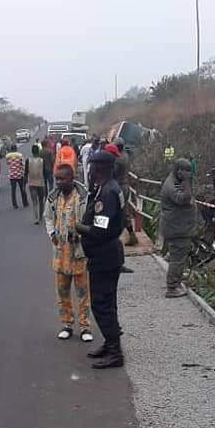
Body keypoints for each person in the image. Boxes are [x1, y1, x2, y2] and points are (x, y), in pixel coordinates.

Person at [75, 150, 125, 368]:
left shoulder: (107, 193)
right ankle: (110, 342)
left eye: (93, 165)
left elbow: (100, 230)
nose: (90, 169)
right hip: (104, 255)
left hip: (105, 256)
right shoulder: (105, 188)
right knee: (107, 302)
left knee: (101, 304)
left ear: (101, 167)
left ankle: (115, 352)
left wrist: (78, 227)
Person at [44, 164, 93, 343]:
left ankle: (85, 327)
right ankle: (67, 324)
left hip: (78, 253)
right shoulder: (52, 198)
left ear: (71, 179)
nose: (58, 182)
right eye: (56, 178)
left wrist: (81, 235)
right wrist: (51, 234)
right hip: (60, 253)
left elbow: (90, 221)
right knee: (62, 292)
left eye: (62, 179)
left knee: (82, 293)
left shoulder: (83, 197)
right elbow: (48, 217)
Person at [159, 158, 198, 298]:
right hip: (177, 228)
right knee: (177, 259)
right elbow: (184, 199)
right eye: (186, 171)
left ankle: (176, 281)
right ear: (179, 170)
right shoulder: (172, 185)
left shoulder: (176, 180)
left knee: (179, 257)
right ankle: (172, 287)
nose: (189, 174)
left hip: (179, 227)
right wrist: (187, 182)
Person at [113, 139, 138, 247]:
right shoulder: (125, 155)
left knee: (122, 212)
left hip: (120, 186)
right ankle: (130, 235)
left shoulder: (119, 159)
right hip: (125, 185)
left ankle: (131, 235)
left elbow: (114, 172)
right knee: (123, 210)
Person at [25, 144, 45, 224]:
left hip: (32, 183)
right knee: (41, 201)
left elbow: (26, 173)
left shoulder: (28, 160)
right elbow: (45, 172)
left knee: (34, 202)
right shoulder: (42, 160)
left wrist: (24, 184)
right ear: (38, 152)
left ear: (32, 152)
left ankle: (36, 218)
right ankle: (40, 217)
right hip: (40, 183)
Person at [5, 144, 28, 209]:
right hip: (19, 174)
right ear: (16, 149)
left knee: (13, 190)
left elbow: (8, 163)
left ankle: (15, 204)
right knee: (22, 189)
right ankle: (25, 203)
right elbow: (22, 164)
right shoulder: (19, 155)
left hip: (12, 175)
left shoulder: (8, 156)